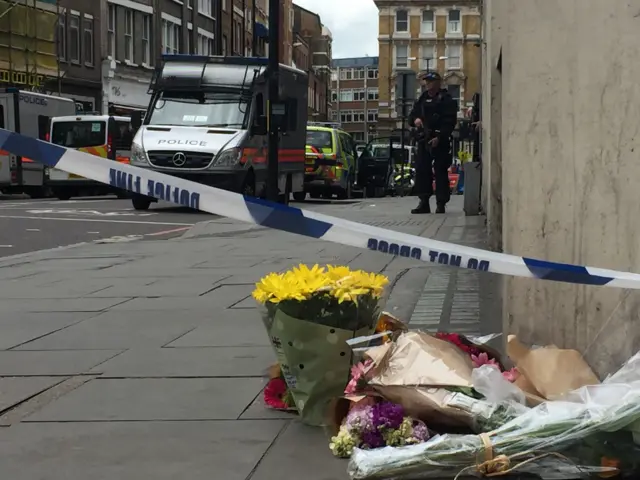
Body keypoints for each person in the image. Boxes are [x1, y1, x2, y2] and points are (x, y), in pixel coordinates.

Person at [408, 71, 458, 214]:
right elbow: (412, 116)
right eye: (426, 82)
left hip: (440, 140)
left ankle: (441, 203)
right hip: (424, 139)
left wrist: (440, 137)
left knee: (440, 171)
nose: (428, 84)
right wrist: (415, 120)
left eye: (431, 81)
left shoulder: (446, 99)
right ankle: (424, 202)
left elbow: (450, 122)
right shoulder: (422, 99)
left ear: (438, 83)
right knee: (422, 170)